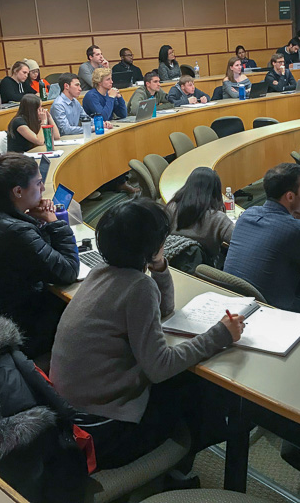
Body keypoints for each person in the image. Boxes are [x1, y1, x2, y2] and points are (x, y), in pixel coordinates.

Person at [49, 199, 244, 471]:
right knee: (198, 387)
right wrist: (220, 334)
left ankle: (183, 463)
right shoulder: (138, 288)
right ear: (151, 245)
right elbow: (159, 367)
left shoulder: (100, 272)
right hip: (100, 430)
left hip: (71, 411)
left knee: (186, 380)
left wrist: (160, 265)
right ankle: (182, 469)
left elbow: (164, 309)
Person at [0, 152, 79, 358]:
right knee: (86, 306)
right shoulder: (15, 231)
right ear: (18, 191)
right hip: (20, 324)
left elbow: (38, 254)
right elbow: (69, 270)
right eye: (38, 184)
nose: (43, 189)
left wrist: (38, 221)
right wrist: (54, 222)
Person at [224, 163, 300, 312]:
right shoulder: (297, 230)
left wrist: (292, 216)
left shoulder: (248, 214)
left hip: (233, 303)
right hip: (271, 312)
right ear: (289, 196)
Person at [166, 167, 233, 263]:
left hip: (171, 264)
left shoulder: (171, 207)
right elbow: (240, 240)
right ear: (215, 192)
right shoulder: (217, 218)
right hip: (204, 269)